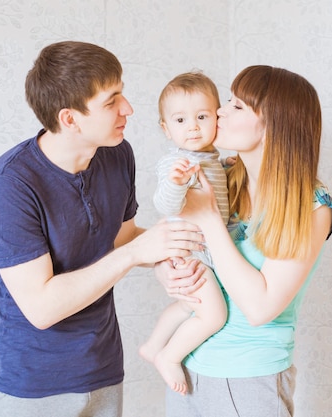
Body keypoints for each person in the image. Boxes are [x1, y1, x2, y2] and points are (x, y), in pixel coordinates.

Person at [0, 41, 203, 417]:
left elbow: (122, 238)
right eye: (112, 101)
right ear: (70, 119)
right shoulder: (9, 185)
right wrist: (135, 254)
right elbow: (42, 307)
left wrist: (167, 260)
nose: (128, 108)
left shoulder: (117, 154)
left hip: (103, 368)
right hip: (34, 386)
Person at [155, 65, 332, 417]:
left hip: (250, 378)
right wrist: (167, 272)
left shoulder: (312, 205)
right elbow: (173, 237)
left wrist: (209, 219)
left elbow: (260, 308)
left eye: (237, 106)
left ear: (274, 123)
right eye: (227, 101)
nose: (220, 111)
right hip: (188, 369)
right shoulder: (220, 177)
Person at [138, 72, 229, 396]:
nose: (192, 126)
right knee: (214, 315)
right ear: (166, 128)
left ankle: (153, 344)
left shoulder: (215, 159)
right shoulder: (177, 162)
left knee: (188, 305)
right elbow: (164, 204)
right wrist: (176, 184)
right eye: (180, 119)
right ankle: (169, 355)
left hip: (203, 250)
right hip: (191, 251)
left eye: (202, 116)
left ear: (217, 118)